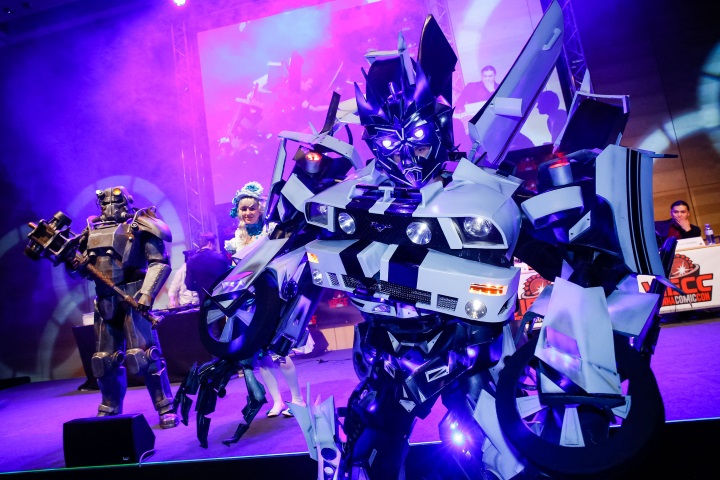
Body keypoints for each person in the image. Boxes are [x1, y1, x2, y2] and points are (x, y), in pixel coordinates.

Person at [70, 187, 178, 428]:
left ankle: (165, 406)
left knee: (144, 356)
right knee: (103, 360)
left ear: (127, 202)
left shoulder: (140, 224)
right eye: (104, 203)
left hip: (133, 296)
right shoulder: (91, 230)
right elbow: (81, 273)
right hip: (105, 299)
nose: (109, 207)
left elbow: (159, 263)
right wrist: (75, 264)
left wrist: (147, 294)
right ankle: (110, 406)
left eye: (116, 202)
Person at [227, 181, 305, 417]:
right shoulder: (235, 240)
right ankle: (277, 401)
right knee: (260, 355)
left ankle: (298, 400)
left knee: (279, 352)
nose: (247, 213)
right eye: (243, 209)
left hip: (274, 296)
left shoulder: (271, 231)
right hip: (249, 302)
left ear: (260, 209)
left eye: (251, 208)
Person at [185, 232, 230, 304]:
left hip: (205, 302)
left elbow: (189, 284)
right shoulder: (219, 257)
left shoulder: (191, 260)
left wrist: (200, 288)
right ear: (210, 243)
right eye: (215, 244)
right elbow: (229, 278)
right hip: (222, 300)